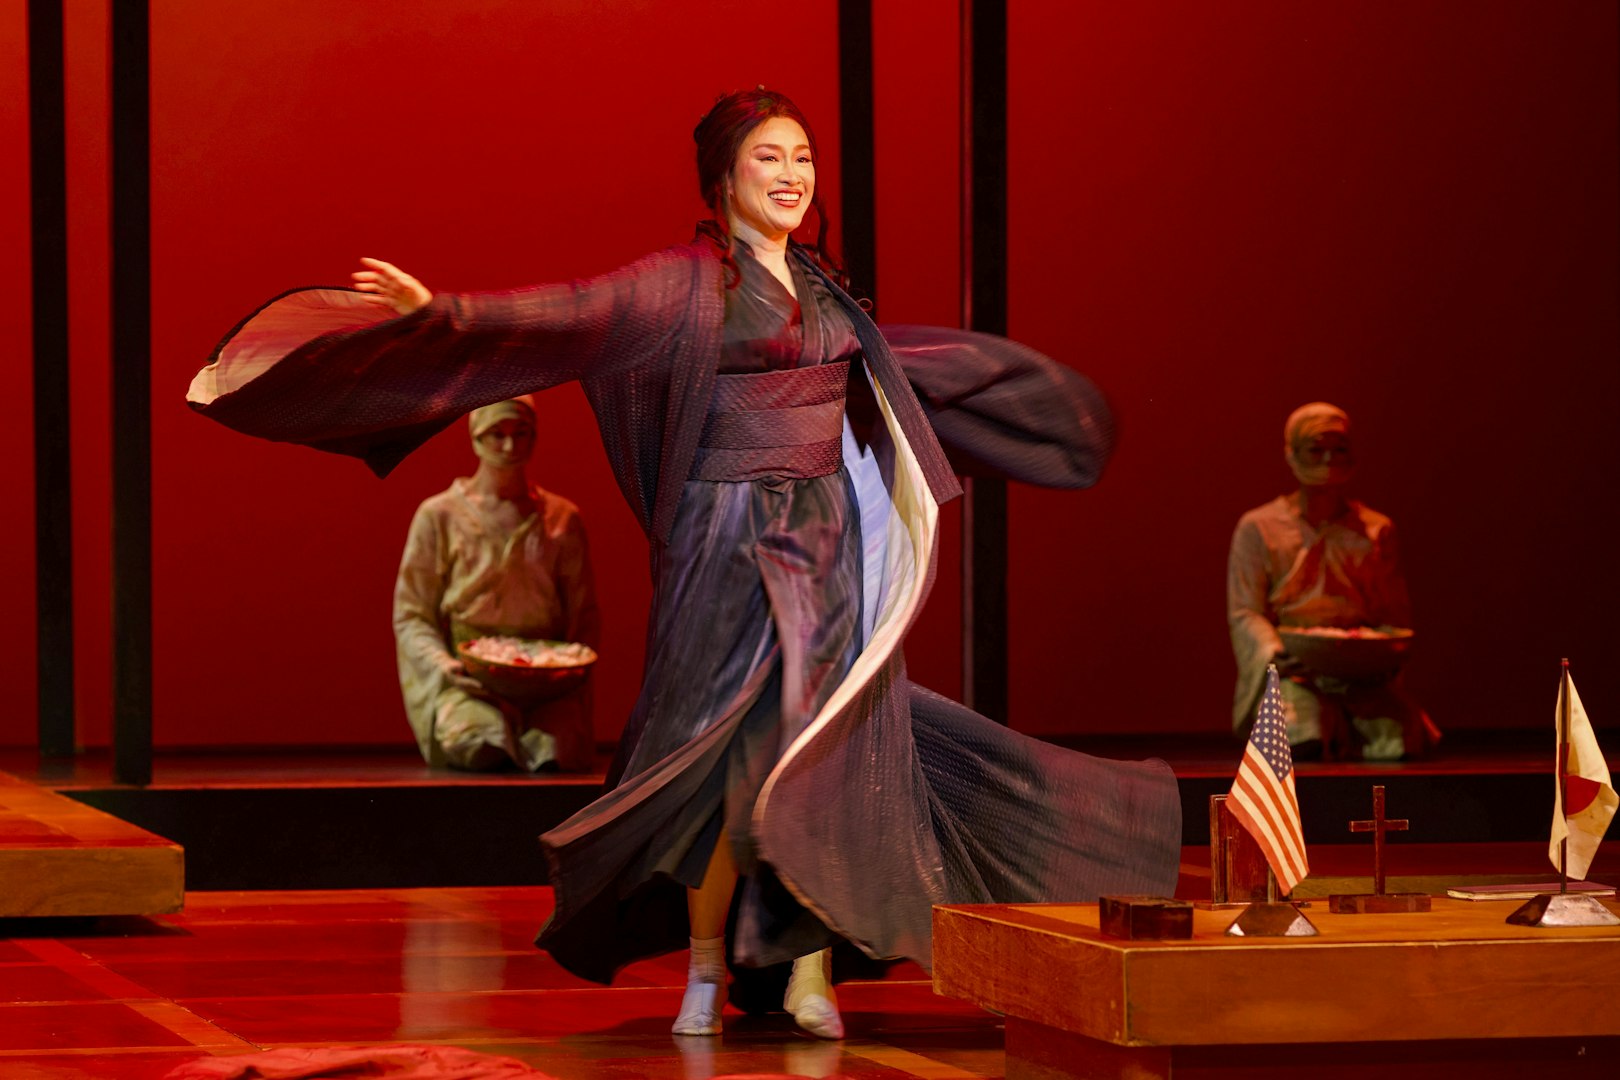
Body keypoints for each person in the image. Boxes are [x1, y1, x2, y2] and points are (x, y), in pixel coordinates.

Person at [187, 88, 1182, 1039]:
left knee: (827, 753)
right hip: (724, 538)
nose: (791, 174)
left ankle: (806, 970)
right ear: (722, 177)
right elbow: (562, 315)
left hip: (824, 540)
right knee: (719, 763)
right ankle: (708, 961)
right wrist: (440, 310)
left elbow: (886, 398)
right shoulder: (681, 283)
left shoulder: (830, 289)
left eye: (803, 157)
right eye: (768, 158)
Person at [393, 396, 599, 773]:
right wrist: (444, 665)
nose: (509, 446)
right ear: (475, 437)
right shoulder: (440, 515)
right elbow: (412, 614)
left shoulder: (561, 518)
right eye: (496, 434)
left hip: (545, 685)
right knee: (478, 743)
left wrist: (568, 670)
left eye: (521, 434)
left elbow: (583, 614)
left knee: (558, 752)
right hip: (471, 680)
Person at [1227, 401, 1440, 761]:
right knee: (1299, 733)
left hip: (1358, 670)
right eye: (1316, 449)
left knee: (1399, 738)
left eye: (1338, 449)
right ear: (1292, 453)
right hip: (1296, 667)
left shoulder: (1375, 529)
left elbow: (1392, 614)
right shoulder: (1259, 527)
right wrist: (1275, 653)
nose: (1328, 460)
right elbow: (1245, 610)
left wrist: (1382, 654)